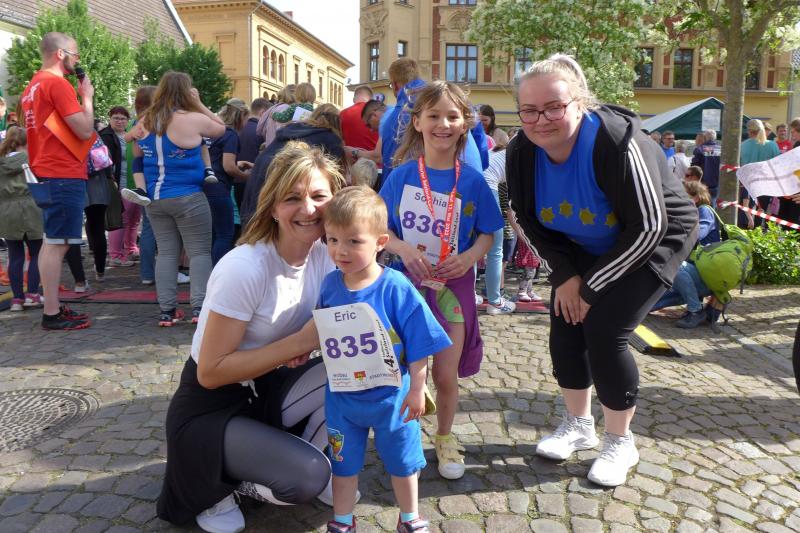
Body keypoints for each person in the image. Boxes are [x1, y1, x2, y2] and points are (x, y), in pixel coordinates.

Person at [506, 54, 697, 487]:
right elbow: (525, 217)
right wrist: (564, 275)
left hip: (655, 238)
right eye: (529, 110)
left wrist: (589, 289)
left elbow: (648, 227)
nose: (541, 120)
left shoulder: (616, 142)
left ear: (580, 103)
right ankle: (579, 426)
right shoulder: (521, 151)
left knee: (605, 330)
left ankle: (620, 441)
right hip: (585, 243)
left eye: (554, 107)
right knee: (565, 323)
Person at [157, 141, 346, 533]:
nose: (308, 209)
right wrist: (298, 344)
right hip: (210, 406)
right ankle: (220, 483)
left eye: (319, 196)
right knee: (307, 479)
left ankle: (306, 454)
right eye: (292, 198)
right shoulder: (245, 267)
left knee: (367, 373)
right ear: (272, 207)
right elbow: (210, 372)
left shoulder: (326, 255)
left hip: (266, 388)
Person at [379, 81, 504, 480]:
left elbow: (489, 232)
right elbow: (379, 228)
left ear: (465, 123)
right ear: (417, 122)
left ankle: (446, 436)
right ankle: (405, 434)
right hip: (407, 288)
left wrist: (469, 257)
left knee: (445, 374)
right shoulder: (400, 177)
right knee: (403, 368)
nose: (443, 124)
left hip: (454, 288)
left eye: (452, 116)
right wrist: (402, 248)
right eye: (434, 116)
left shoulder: (473, 181)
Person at [319, 186, 451, 533]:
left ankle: (409, 518)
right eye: (332, 240)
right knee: (343, 465)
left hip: (393, 399)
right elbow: (324, 331)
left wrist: (417, 389)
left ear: (380, 242)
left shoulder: (396, 287)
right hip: (343, 399)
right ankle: (343, 521)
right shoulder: (329, 286)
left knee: (403, 463)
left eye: (353, 241)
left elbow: (420, 342)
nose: (340, 250)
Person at [131, 71, 225, 326]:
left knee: (166, 253)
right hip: (188, 196)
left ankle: (167, 311)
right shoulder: (191, 119)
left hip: (155, 198)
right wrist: (199, 103)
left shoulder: (144, 121)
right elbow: (221, 128)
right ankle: (199, 308)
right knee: (199, 253)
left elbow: (136, 152)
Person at [21, 32, 94, 330]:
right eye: (75, 54)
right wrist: (86, 97)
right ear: (60, 54)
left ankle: (51, 306)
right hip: (62, 171)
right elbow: (84, 130)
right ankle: (51, 312)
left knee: (52, 242)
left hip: (46, 170)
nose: (78, 60)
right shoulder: (57, 84)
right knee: (58, 244)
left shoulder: (33, 85)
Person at [241, 104, 345, 226]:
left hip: (258, 190)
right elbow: (334, 181)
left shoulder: (289, 131)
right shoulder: (330, 138)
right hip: (280, 190)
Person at [651, 180, 720, 328]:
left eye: (683, 195)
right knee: (648, 306)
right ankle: (694, 305)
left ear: (696, 197)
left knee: (673, 266)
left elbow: (699, 234)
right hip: (694, 272)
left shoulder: (704, 210)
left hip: (704, 274)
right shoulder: (693, 212)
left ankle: (695, 311)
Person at [0, 126, 43, 311]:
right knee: (37, 253)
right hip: (31, 206)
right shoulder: (32, 158)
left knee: (14, 256)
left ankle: (17, 299)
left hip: (7, 210)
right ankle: (32, 294)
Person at [205, 98, 252, 265]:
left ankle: (209, 271)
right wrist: (247, 177)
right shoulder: (230, 134)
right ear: (240, 116)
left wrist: (238, 164)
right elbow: (228, 167)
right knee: (225, 234)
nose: (246, 124)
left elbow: (215, 160)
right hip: (219, 188)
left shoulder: (209, 132)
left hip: (203, 186)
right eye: (246, 119)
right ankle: (219, 271)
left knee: (212, 234)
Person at [124, 86, 158, 285]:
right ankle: (166, 272)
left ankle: (147, 274)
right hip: (155, 175)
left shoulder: (137, 121)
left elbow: (130, 142)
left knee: (148, 228)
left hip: (142, 175)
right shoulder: (155, 120)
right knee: (162, 229)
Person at [101, 106, 140, 267]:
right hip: (118, 183)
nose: (120, 121)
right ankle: (115, 255)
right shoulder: (105, 136)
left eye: (123, 118)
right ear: (110, 119)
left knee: (134, 218)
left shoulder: (131, 134)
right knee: (121, 219)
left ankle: (131, 249)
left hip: (136, 181)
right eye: (116, 118)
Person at [482, 146, 516, 314]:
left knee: (469, 246)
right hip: (488, 187)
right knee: (496, 250)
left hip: (469, 183)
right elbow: (512, 207)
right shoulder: (524, 156)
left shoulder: (500, 153)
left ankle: (470, 295)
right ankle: (495, 302)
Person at [738, 119, 780, 229]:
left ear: (749, 130)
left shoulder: (742, 146)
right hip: (766, 185)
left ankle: (745, 234)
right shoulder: (772, 145)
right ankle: (758, 234)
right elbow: (777, 166)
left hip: (747, 184)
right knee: (761, 212)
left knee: (745, 213)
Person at [340, 85, 379, 151]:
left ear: (353, 99)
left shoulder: (342, 114)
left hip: (350, 156)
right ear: (371, 100)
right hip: (374, 156)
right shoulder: (379, 114)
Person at [777, 117, 800, 226]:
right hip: (793, 189)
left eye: (793, 131)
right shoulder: (797, 144)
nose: (791, 134)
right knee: (786, 220)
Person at [691, 129, 722, 206]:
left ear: (705, 137)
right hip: (718, 184)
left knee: (703, 206)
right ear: (715, 138)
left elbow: (694, 168)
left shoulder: (699, 149)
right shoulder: (721, 149)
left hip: (703, 184)